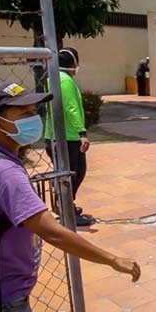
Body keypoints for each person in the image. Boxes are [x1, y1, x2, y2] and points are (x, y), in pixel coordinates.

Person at [0, 81, 139, 312]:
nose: (35, 119)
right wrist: (112, 259)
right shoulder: (4, 172)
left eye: (35, 111)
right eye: (24, 114)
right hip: (1, 298)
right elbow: (54, 234)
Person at [44, 48, 92, 227]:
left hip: (58, 136)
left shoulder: (55, 79)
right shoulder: (64, 81)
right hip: (68, 137)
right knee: (74, 173)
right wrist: (82, 133)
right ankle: (67, 210)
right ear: (73, 63)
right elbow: (71, 107)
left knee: (66, 173)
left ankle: (64, 205)